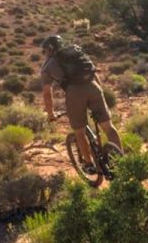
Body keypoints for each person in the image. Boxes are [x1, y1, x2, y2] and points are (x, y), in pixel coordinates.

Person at [40, 35, 122, 174]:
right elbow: (93, 72)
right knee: (108, 127)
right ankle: (121, 161)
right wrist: (99, 92)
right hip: (94, 87)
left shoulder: (48, 66)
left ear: (49, 50)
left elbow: (47, 93)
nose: (44, 54)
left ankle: (89, 164)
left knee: (79, 131)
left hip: (75, 93)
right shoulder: (77, 52)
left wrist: (50, 114)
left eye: (44, 51)